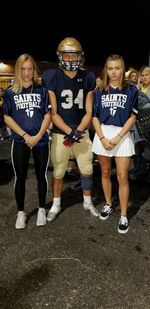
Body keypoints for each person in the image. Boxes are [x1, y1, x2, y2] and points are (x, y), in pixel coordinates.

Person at [42, 36, 100, 221]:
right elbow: (53, 113)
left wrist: (79, 131)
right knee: (59, 171)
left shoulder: (88, 77)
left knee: (87, 168)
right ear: (60, 56)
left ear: (80, 57)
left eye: (74, 56)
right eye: (66, 56)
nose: (70, 59)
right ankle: (56, 204)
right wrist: (70, 132)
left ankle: (87, 201)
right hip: (62, 133)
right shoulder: (51, 76)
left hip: (81, 132)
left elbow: (89, 111)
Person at [3, 53, 51, 229]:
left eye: (30, 69)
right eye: (23, 69)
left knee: (41, 176)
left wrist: (38, 135)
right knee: (20, 177)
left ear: (34, 70)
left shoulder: (42, 90)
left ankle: (41, 209)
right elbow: (7, 117)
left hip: (41, 140)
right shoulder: (10, 92)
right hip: (20, 140)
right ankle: (21, 213)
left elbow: (47, 114)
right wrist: (24, 135)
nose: (27, 72)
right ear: (18, 70)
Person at [92, 54, 138, 234]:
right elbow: (94, 116)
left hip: (122, 134)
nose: (113, 72)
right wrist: (102, 138)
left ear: (122, 68)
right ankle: (109, 204)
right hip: (103, 133)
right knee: (104, 171)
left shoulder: (131, 90)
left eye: (117, 68)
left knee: (122, 176)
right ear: (106, 69)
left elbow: (133, 116)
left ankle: (124, 214)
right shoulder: (99, 90)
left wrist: (118, 138)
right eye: (110, 68)